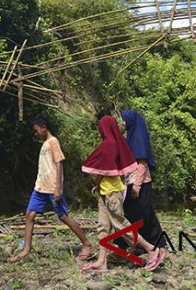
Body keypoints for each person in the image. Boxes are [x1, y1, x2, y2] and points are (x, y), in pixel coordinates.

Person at [80, 115, 167, 271]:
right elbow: (107, 169)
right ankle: (102, 261)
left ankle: (151, 249)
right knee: (103, 226)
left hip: (112, 192)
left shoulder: (110, 144)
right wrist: (98, 184)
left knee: (121, 225)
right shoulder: (113, 144)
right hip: (104, 190)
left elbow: (107, 167)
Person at [9, 116, 93, 263]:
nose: (36, 134)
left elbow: (59, 164)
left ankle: (86, 244)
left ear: (44, 127)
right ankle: (27, 249)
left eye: (36, 131)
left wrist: (58, 188)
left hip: (51, 187)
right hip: (40, 188)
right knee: (30, 215)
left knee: (63, 216)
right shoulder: (45, 144)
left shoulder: (53, 142)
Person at [119, 109, 170, 258]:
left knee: (145, 215)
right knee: (131, 214)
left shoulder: (138, 138)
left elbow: (142, 163)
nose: (122, 123)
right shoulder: (131, 136)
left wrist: (136, 186)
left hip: (140, 183)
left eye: (124, 119)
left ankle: (160, 246)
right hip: (131, 181)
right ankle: (130, 245)